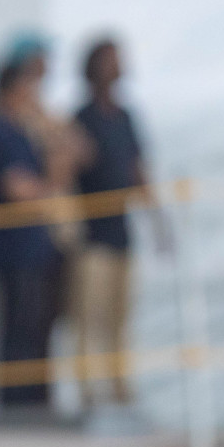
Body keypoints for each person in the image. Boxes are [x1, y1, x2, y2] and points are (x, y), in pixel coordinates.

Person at [0, 42, 84, 411]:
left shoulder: (24, 128)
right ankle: (17, 404)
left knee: (40, 326)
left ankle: (38, 401)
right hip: (15, 247)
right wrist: (53, 180)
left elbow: (76, 150)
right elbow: (18, 188)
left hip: (36, 245)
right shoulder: (0, 130)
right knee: (19, 327)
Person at [71, 39, 150, 410]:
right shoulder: (81, 117)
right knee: (90, 316)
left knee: (120, 317)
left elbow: (138, 168)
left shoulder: (125, 116)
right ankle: (89, 392)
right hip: (91, 234)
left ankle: (120, 389)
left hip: (121, 232)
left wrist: (157, 217)